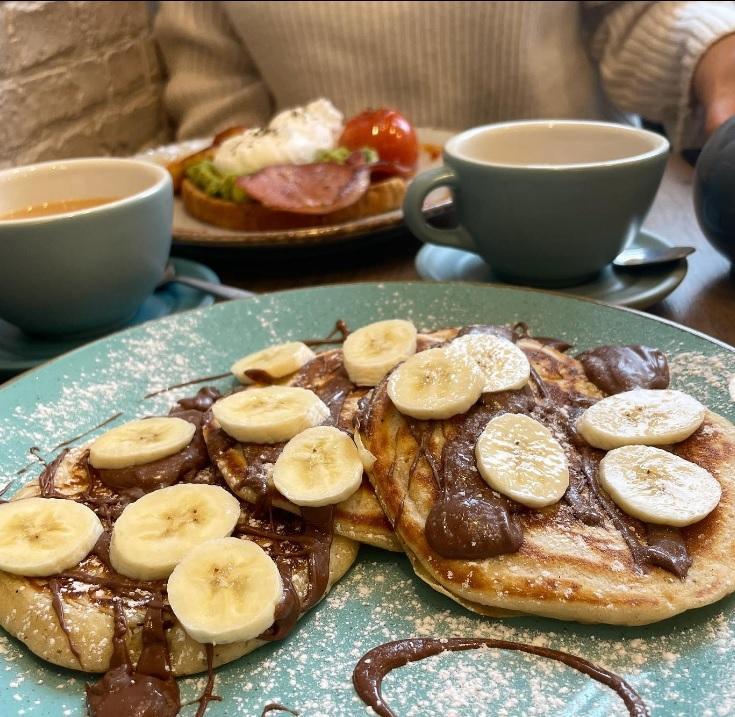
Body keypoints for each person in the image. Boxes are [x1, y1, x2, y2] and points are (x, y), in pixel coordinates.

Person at [155, 1, 735, 150]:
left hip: (572, 244)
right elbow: (219, 95)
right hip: (316, 273)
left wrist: (720, 50)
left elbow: (637, 14)